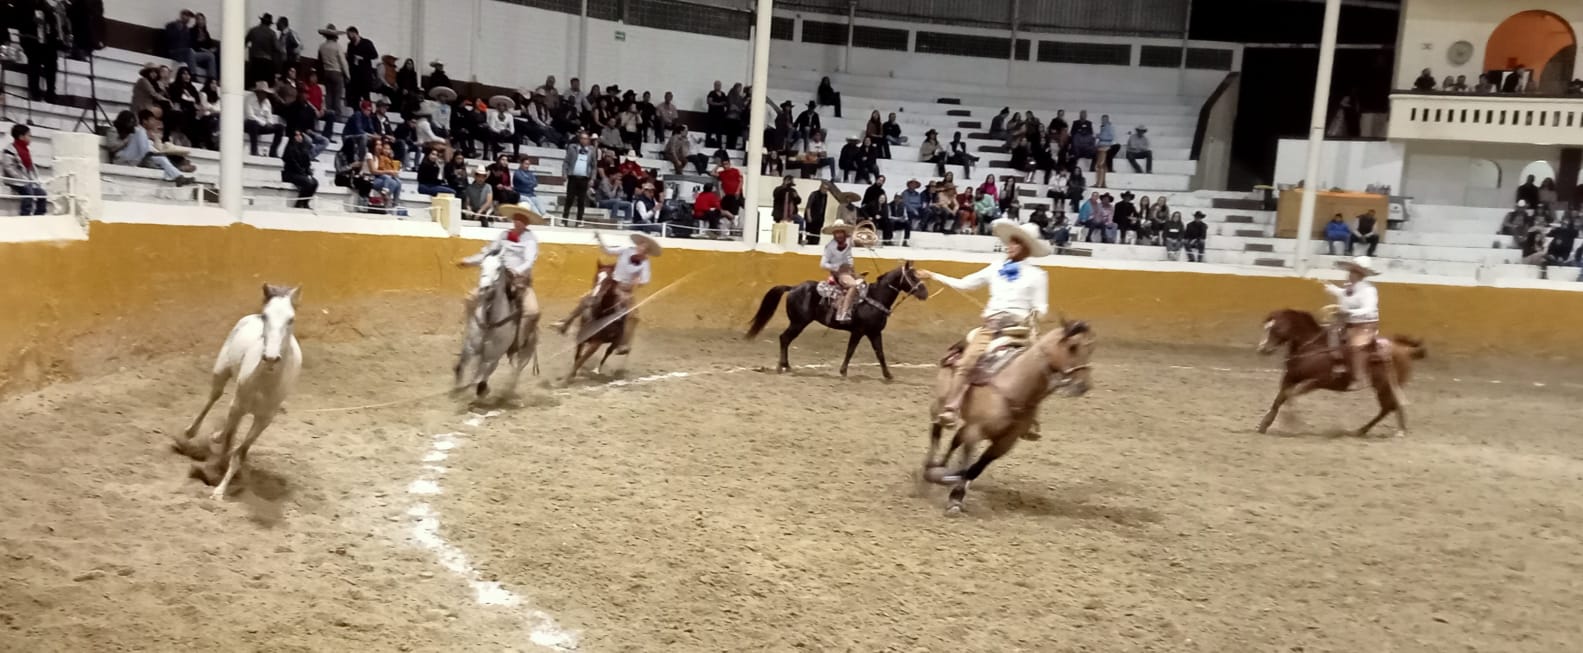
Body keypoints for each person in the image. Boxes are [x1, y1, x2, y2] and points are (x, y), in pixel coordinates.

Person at [915, 219, 1052, 427]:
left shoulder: (1038, 275)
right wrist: (933, 275)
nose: (1010, 246)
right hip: (992, 326)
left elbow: (1042, 307)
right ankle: (952, 408)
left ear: (1026, 247)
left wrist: (1035, 314)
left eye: (1015, 242)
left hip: (1019, 327)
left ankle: (1030, 418)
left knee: (1040, 368)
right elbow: (965, 284)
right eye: (1011, 241)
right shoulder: (995, 267)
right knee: (968, 360)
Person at [555, 233, 661, 355]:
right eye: (642, 245)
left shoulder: (645, 263)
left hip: (626, 291)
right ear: (639, 244)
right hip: (612, 284)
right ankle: (566, 322)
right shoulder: (626, 250)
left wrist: (639, 280)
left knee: (633, 316)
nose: (643, 248)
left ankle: (623, 344)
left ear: (648, 251)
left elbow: (645, 279)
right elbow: (608, 251)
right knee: (588, 298)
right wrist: (600, 240)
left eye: (646, 248)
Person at [458, 204, 544, 341]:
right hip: (498, 276)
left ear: (527, 223)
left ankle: (520, 340)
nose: (518, 222)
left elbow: (529, 261)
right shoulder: (504, 235)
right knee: (471, 298)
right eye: (516, 218)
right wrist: (469, 261)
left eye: (522, 219)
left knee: (532, 311)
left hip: (518, 281)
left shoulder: (530, 239)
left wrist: (516, 271)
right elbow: (488, 253)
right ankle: (469, 330)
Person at [1321, 256, 1381, 391]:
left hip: (1366, 325)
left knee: (1355, 346)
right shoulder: (1350, 287)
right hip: (1350, 323)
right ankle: (1338, 364)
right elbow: (1343, 294)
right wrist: (1329, 287)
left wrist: (1349, 313)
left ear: (1361, 274)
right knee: (1331, 333)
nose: (1350, 274)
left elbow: (1369, 308)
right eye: (1351, 271)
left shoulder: (1369, 290)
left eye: (1354, 271)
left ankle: (1359, 378)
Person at [820, 218, 861, 322]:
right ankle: (843, 313)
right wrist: (837, 266)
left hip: (850, 271)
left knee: (863, 284)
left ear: (844, 233)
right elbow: (823, 264)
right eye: (837, 233)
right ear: (834, 234)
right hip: (840, 273)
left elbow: (858, 242)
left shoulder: (848, 241)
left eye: (841, 232)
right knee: (853, 285)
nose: (839, 235)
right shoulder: (830, 247)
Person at [3, 125, 47, 215]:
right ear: (21, 137)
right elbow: (8, 167)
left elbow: (30, 166)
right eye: (29, 135)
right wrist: (20, 179)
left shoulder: (26, 150)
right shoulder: (9, 150)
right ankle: (25, 215)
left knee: (42, 193)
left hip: (26, 181)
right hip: (15, 181)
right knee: (28, 193)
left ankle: (39, 215)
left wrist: (36, 178)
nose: (30, 138)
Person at [244, 82, 286, 157]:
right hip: (249, 124)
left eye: (266, 93)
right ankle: (254, 151)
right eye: (263, 92)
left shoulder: (267, 102)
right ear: (258, 92)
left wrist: (269, 122)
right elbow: (250, 116)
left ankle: (273, 152)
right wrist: (264, 123)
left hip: (262, 125)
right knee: (253, 123)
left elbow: (269, 116)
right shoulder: (249, 99)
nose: (265, 95)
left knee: (280, 127)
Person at [562, 132, 596, 225]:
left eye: (586, 139)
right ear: (579, 139)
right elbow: (566, 162)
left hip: (584, 178)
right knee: (569, 199)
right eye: (582, 138)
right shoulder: (572, 147)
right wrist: (564, 173)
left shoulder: (592, 150)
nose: (584, 140)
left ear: (588, 140)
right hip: (573, 177)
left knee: (581, 201)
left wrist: (592, 178)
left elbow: (594, 166)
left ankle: (579, 221)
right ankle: (564, 220)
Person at [280, 129, 318, 209]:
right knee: (308, 182)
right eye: (297, 135)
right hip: (290, 173)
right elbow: (293, 164)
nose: (299, 137)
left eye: (300, 135)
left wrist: (309, 174)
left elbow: (307, 164)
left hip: (301, 173)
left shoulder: (303, 149)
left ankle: (305, 202)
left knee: (315, 182)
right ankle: (299, 203)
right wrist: (304, 175)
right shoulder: (290, 149)